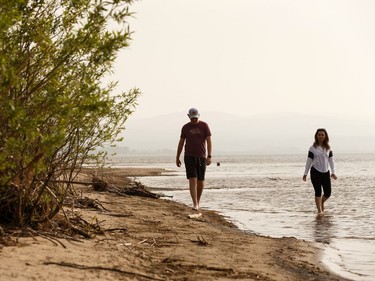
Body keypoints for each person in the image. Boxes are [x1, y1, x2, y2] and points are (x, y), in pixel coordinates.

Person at [176, 108, 212, 210]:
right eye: (192, 118)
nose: (194, 120)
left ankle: (198, 201)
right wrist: (177, 157)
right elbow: (181, 143)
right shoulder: (185, 127)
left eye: (195, 118)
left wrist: (209, 156)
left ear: (198, 116)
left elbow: (209, 141)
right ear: (188, 116)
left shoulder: (204, 126)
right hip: (189, 156)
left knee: (200, 181)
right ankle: (195, 203)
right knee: (193, 179)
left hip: (201, 157)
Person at [303, 128, 337, 215]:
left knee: (328, 193)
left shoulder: (328, 148)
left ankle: (321, 202)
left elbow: (331, 160)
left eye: (322, 135)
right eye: (319, 135)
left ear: (325, 136)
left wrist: (333, 172)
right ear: (316, 136)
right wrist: (305, 173)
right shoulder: (312, 148)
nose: (321, 136)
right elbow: (309, 161)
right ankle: (320, 211)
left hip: (326, 172)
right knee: (318, 191)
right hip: (315, 171)